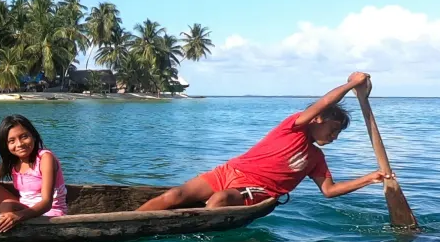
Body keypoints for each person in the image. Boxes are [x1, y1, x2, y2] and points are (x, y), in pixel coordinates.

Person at [136, 71, 390, 211]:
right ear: (318, 120)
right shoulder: (294, 127)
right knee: (175, 194)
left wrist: (369, 178)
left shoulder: (315, 159)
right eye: (333, 130)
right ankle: (134, 219)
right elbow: (324, 102)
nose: (334, 137)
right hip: (230, 171)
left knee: (220, 200)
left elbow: (329, 191)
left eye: (338, 135)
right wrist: (351, 85)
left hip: (258, 190)